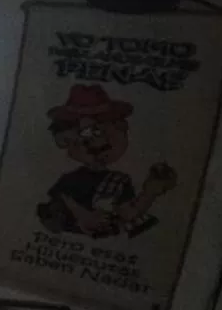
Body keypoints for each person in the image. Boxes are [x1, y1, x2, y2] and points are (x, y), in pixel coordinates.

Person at [36, 84, 178, 238]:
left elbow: (128, 213)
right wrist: (83, 215)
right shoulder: (71, 179)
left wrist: (150, 192)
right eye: (85, 135)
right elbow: (60, 198)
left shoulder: (119, 181)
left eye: (102, 131)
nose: (95, 142)